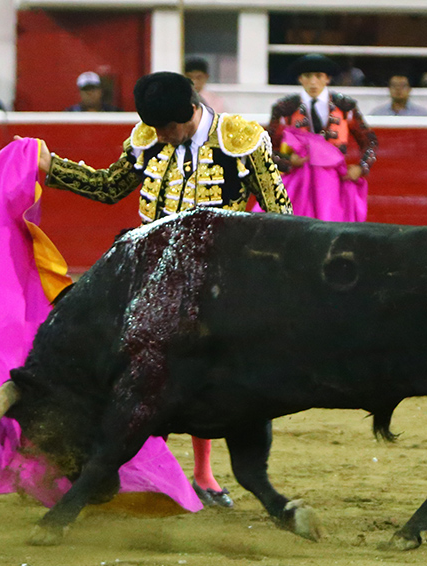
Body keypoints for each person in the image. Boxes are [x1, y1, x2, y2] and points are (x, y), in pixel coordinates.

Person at [28, 71, 292, 507]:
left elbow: (281, 215)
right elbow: (109, 187)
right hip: (146, 273)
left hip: (213, 279)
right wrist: (51, 168)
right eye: (157, 130)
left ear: (190, 111)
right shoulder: (148, 137)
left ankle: (204, 474)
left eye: (169, 129)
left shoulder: (242, 139)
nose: (163, 137)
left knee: (201, 373)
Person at [267, 53, 377, 221]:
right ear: (300, 79)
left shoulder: (345, 106)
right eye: (307, 76)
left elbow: (369, 141)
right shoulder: (285, 108)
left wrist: (361, 168)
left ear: (327, 79)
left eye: (318, 76)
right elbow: (267, 146)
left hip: (333, 180)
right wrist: (287, 160)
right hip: (298, 180)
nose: (313, 82)